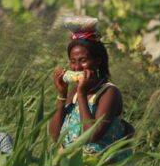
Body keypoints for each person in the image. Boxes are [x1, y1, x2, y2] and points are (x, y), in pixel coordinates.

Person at [48, 23, 130, 157]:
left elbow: (92, 135)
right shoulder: (74, 92)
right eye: (72, 61)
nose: (77, 67)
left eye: (83, 60)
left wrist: (82, 94)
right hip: (72, 164)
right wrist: (62, 94)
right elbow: (55, 135)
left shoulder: (109, 92)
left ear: (97, 61)